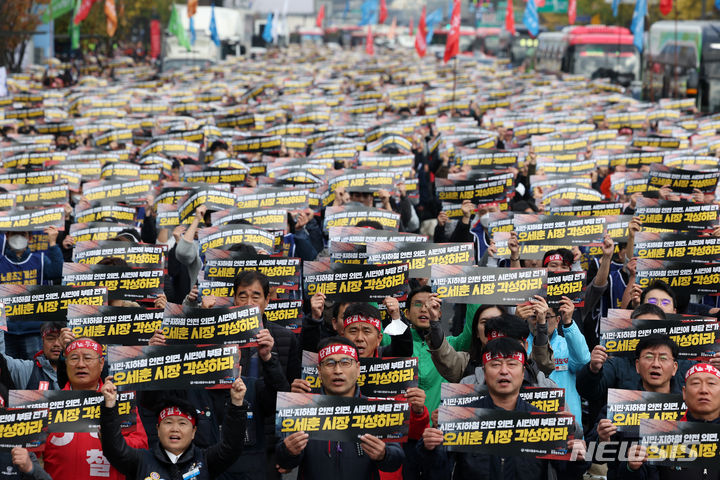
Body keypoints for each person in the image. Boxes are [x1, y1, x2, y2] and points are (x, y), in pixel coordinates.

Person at [417, 337, 589, 479]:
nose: (504, 371)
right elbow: (437, 470)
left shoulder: (543, 421)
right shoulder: (461, 419)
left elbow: (567, 473)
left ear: (523, 374)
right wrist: (429, 448)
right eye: (496, 364)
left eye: (512, 364)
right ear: (484, 372)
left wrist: (578, 457)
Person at [276, 337, 405, 479]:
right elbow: (283, 462)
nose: (338, 370)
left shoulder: (377, 409)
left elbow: (396, 461)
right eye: (330, 363)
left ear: (357, 369)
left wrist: (384, 454)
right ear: (319, 371)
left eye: (345, 363)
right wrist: (288, 451)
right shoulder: (302, 409)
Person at [99, 375, 248, 479]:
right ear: (157, 429)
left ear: (194, 432)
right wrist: (109, 406)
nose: (175, 429)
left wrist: (237, 403)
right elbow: (115, 450)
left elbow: (231, 447)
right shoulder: (141, 460)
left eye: (182, 423)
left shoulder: (205, 460)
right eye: (168, 422)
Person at [41, 337, 149, 479]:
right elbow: (31, 456)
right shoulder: (47, 404)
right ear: (66, 363)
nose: (81, 364)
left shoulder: (120, 402)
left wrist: (112, 439)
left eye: (87, 358)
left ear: (101, 363)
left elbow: (140, 452)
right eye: (74, 358)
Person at [587, 334, 680, 480]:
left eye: (663, 358)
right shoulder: (619, 406)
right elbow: (594, 457)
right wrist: (602, 439)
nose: (656, 364)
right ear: (637, 365)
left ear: (674, 367)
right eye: (649, 357)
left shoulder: (689, 406)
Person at [623, 362, 720, 478]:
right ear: (684, 393)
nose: (703, 390)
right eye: (696, 383)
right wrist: (632, 468)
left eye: (711, 383)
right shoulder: (661, 434)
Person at [524, 295, 590, 426]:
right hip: (530, 421)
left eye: (546, 316)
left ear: (558, 319)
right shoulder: (521, 346)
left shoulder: (567, 344)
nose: (539, 320)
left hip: (567, 421)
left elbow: (584, 361)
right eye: (534, 316)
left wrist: (569, 322)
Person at [1, 226, 63, 359]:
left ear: (29, 238)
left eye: (22, 234)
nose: (18, 238)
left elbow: (58, 272)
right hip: (7, 330)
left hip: (33, 329)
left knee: (35, 371)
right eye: (14, 234)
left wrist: (52, 243)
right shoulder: (1, 262)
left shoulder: (40, 260)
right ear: (7, 236)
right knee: (8, 375)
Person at [2, 322, 65, 390]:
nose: (56, 344)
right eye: (50, 339)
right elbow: (1, 361)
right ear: (42, 342)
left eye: (61, 340)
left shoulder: (76, 371)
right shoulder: (27, 370)